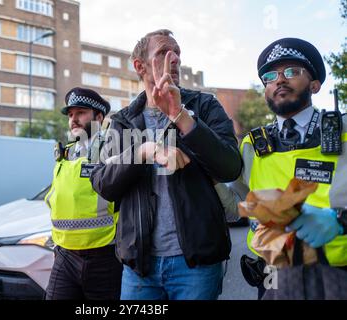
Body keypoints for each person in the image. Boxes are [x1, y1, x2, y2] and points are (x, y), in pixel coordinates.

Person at [90, 29, 242, 300]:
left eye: (177, 53)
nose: (175, 59)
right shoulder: (123, 120)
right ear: (140, 66)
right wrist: (144, 151)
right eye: (163, 52)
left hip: (196, 266)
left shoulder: (204, 106)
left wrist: (180, 116)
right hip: (140, 270)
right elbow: (103, 184)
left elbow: (230, 167)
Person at [221, 38, 347, 299]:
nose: (279, 79)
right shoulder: (252, 145)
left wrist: (338, 220)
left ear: (315, 84)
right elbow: (239, 203)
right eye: (270, 76)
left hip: (337, 271)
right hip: (273, 275)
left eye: (291, 71)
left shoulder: (343, 131)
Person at [44, 87, 122, 300]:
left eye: (81, 113)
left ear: (98, 117)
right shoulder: (66, 152)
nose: (74, 120)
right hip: (65, 255)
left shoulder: (112, 147)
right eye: (70, 115)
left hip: (104, 255)